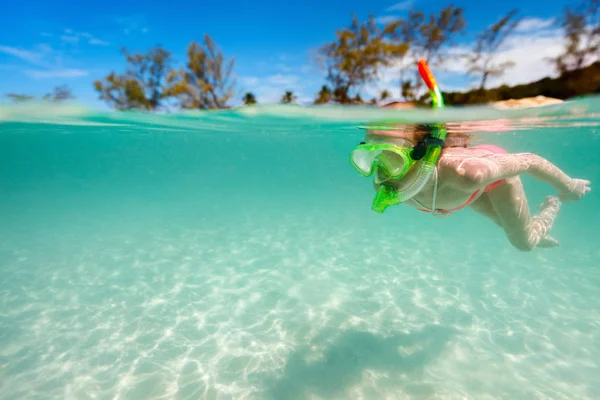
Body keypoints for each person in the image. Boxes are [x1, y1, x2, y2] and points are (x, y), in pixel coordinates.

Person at [349, 61, 591, 251]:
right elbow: (415, 189)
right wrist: (437, 205)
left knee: (523, 243)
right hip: (464, 195)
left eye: (391, 155)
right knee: (505, 223)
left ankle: (550, 210)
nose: (379, 166)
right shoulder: (382, 178)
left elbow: (530, 160)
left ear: (422, 150)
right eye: (371, 154)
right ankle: (531, 228)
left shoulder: (468, 174)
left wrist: (569, 186)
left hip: (490, 180)